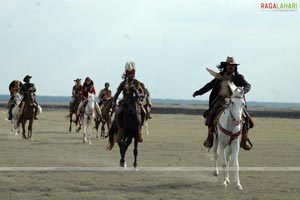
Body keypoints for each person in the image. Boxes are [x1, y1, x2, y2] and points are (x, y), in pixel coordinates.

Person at [193, 56, 254, 150]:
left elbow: (248, 85)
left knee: (247, 118)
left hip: (235, 101)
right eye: (229, 65)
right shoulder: (219, 77)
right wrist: (198, 92)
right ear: (225, 66)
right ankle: (210, 137)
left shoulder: (238, 77)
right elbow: (209, 86)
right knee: (211, 115)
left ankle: (244, 139)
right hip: (220, 100)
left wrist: (241, 92)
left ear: (235, 67)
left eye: (233, 65)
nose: (231, 67)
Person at [112, 61, 145, 142]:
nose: (131, 75)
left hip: (136, 103)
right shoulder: (123, 83)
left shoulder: (137, 83)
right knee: (119, 113)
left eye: (132, 73)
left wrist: (139, 96)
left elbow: (142, 92)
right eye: (129, 73)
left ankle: (139, 130)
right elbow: (116, 94)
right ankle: (120, 130)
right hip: (125, 103)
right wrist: (114, 102)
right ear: (126, 74)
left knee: (143, 112)